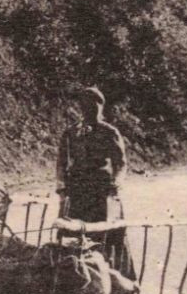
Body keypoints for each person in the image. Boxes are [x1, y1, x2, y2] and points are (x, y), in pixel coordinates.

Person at [56, 86, 133, 277]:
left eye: (95, 105)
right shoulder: (71, 133)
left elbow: (121, 163)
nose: (90, 109)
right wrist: (62, 187)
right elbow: (61, 163)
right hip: (78, 191)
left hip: (102, 191)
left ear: (101, 107)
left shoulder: (110, 132)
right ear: (80, 107)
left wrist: (117, 183)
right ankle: (75, 275)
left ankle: (112, 276)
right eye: (85, 105)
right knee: (72, 234)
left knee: (108, 235)